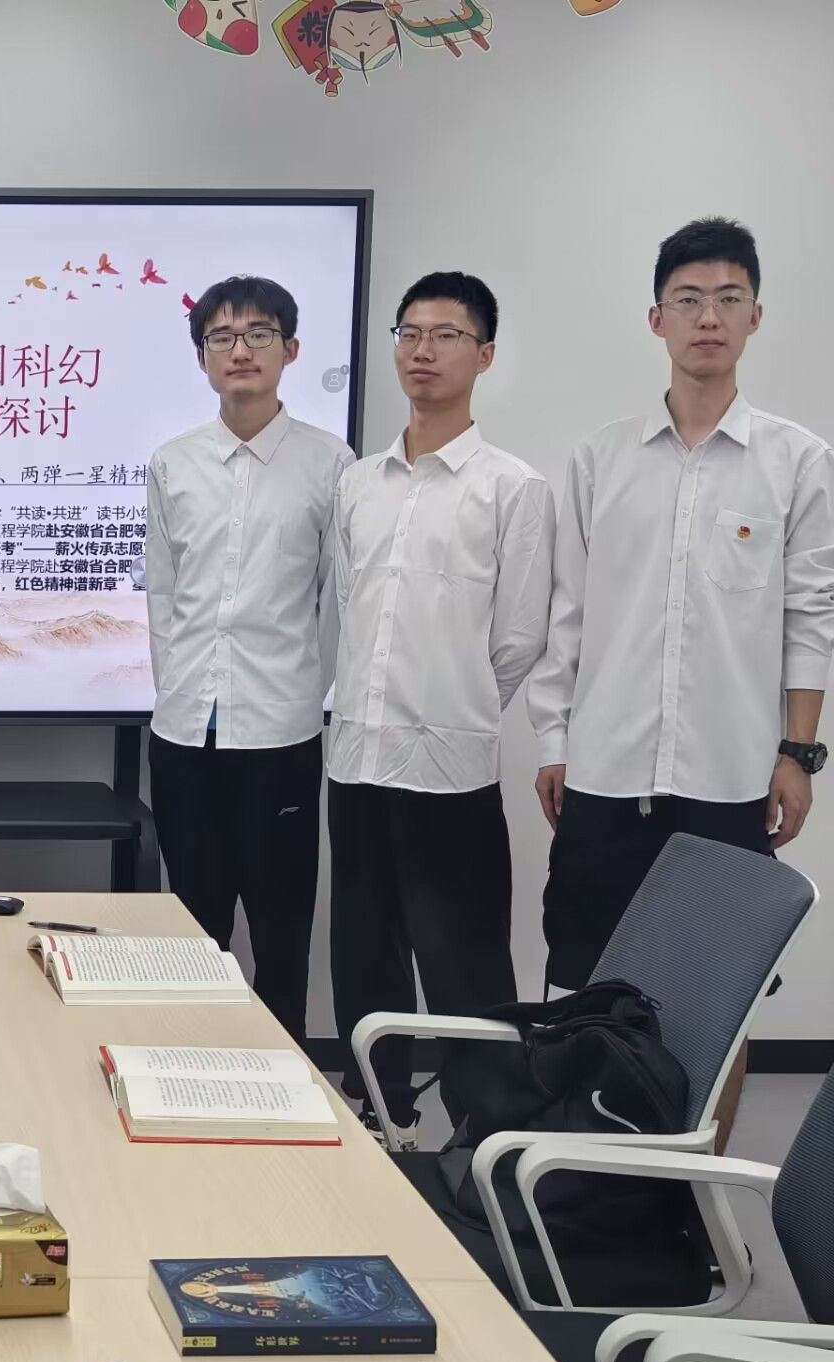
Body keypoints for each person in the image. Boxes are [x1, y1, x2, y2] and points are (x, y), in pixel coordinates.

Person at [528, 218, 834, 1144]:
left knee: (718, 1002)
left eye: (728, 299)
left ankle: (695, 1188)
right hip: (606, 771)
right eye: (689, 299)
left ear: (755, 317)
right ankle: (581, 1182)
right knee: (584, 983)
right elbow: (569, 614)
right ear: (656, 318)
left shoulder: (797, 461)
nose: (709, 317)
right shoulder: (602, 458)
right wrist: (554, 743)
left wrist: (797, 755)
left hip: (728, 781)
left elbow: (810, 616)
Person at [328, 272, 555, 1143]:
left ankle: (484, 1142)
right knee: (363, 953)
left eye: (447, 335)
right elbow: (349, 609)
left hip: (447, 766)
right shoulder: (359, 483)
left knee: (465, 968)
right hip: (356, 756)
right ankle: (380, 1118)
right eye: (410, 333)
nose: (423, 351)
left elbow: (517, 639)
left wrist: (451, 704)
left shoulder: (512, 488)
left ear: (484, 355)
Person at [146, 275, 351, 1042]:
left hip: (281, 737)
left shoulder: (331, 464)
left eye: (258, 334)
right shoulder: (173, 463)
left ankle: (282, 1079)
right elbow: (163, 597)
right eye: (221, 338)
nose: (240, 351)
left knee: (281, 932)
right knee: (192, 929)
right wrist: (177, 690)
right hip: (183, 737)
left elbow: (337, 601)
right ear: (202, 357)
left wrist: (303, 692)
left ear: (289, 350)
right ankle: (190, 1070)